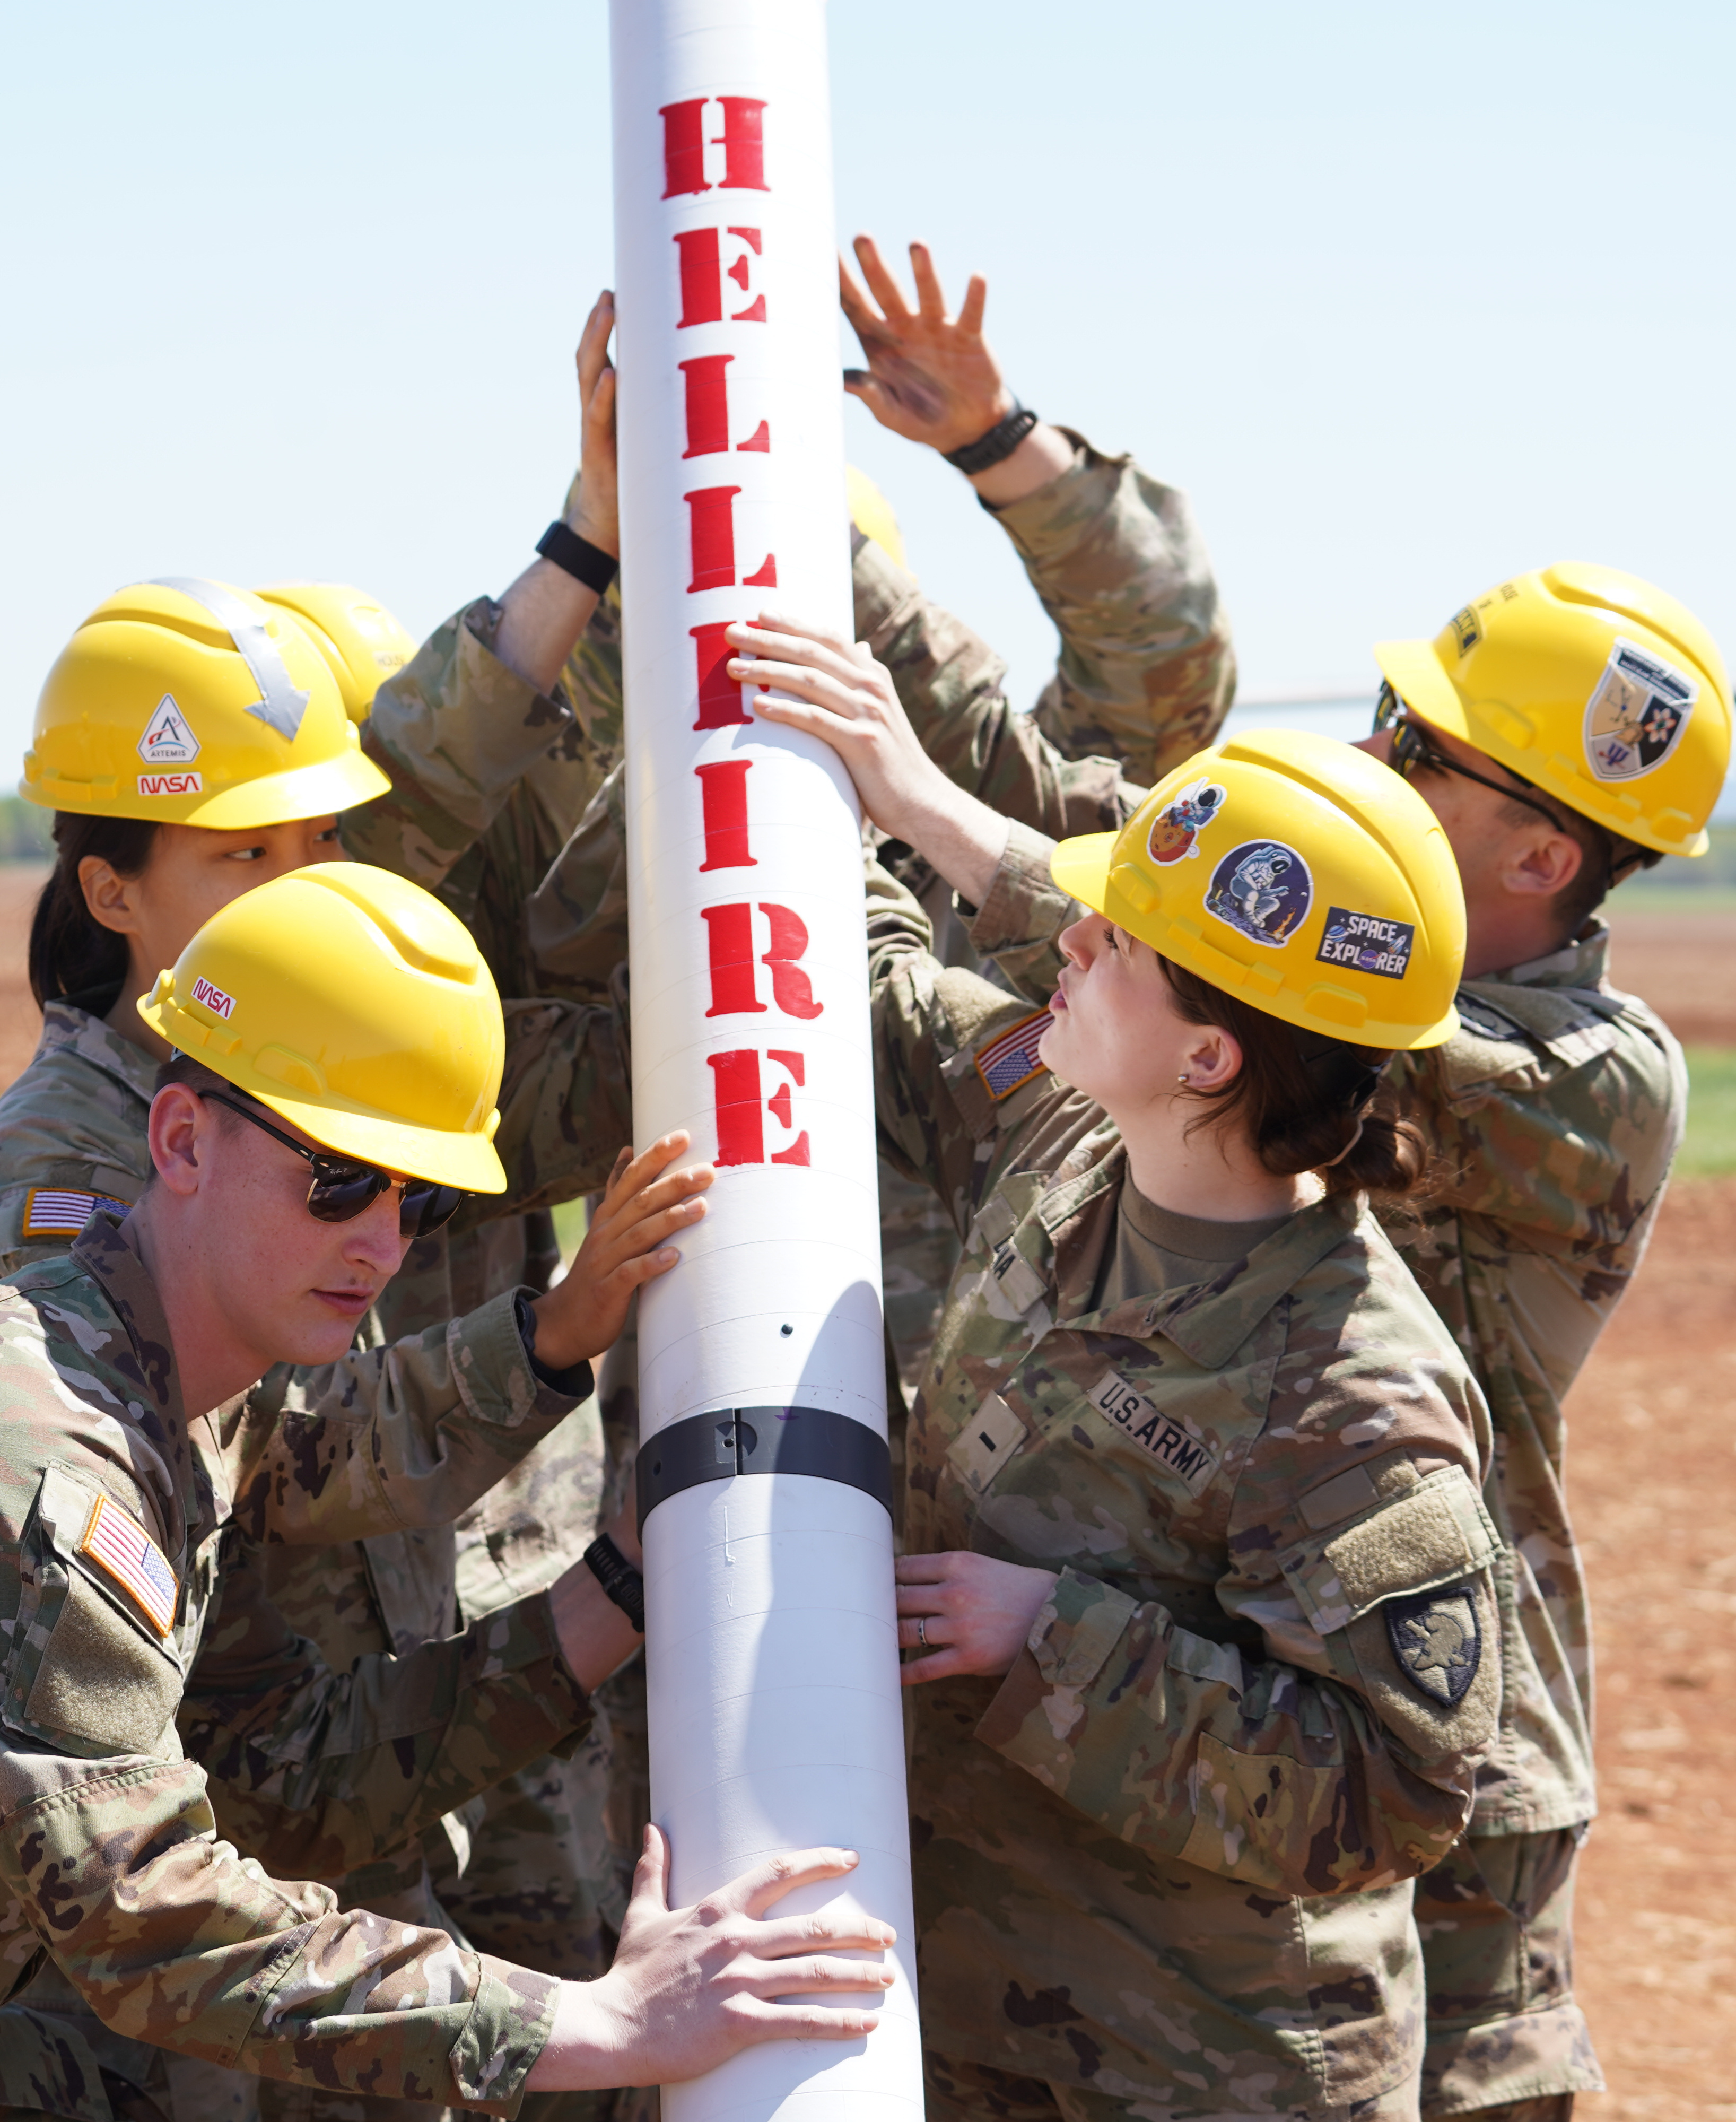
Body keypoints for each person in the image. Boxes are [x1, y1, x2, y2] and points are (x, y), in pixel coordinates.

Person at [711, 565, 1731, 2121]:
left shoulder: (1370, 1360)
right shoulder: (1081, 1133)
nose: (1067, 949)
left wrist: (1047, 1642)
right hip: (1012, 1969)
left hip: (1224, 2034)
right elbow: (902, 1008)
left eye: (1112, 940)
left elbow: (1390, 1781)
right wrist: (800, 771)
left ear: (1208, 1051)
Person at [0, 860, 895, 2118]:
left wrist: (615, 1586)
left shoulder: (187, 1397)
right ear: (183, 1138)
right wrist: (591, 2018)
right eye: (335, 1181)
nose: (377, 1241)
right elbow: (145, 1917)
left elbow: (275, 1771)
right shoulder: (62, 1458)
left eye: (415, 1197)